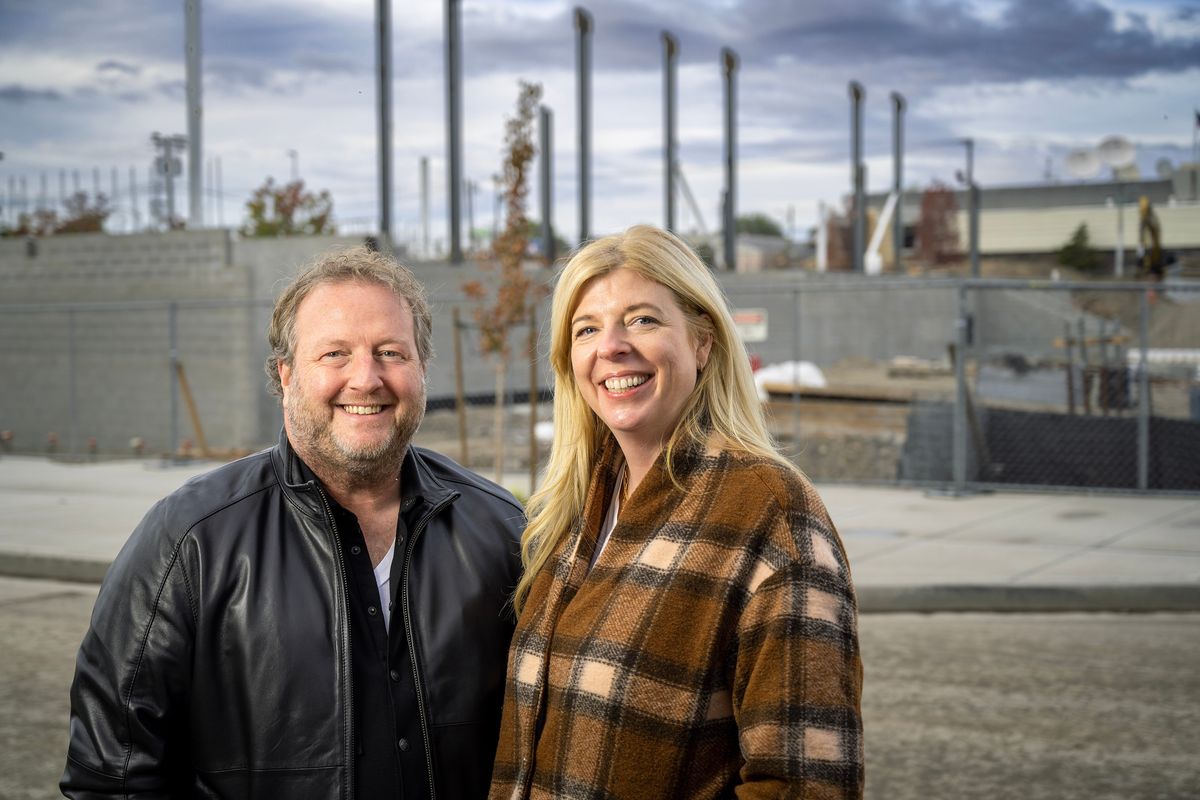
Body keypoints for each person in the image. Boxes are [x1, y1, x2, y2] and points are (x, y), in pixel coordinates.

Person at [62, 246, 524, 799]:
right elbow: (111, 778)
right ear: (285, 376)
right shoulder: (188, 541)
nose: (366, 378)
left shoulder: (502, 532)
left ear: (422, 370)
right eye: (334, 354)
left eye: (390, 352)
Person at [489, 225, 863, 799]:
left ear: (703, 342)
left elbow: (804, 785)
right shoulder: (575, 515)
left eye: (643, 319)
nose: (611, 345)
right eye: (587, 328)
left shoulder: (769, 512)